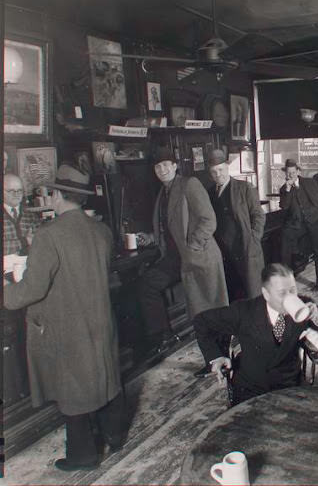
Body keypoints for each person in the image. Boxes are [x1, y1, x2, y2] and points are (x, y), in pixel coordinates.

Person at [3, 165, 126, 471]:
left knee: (74, 387)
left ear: (56, 195)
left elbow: (34, 288)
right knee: (104, 373)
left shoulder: (50, 234)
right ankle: (116, 433)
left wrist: (6, 291)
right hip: (101, 319)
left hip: (69, 324)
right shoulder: (102, 230)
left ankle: (83, 455)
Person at [193, 263, 318, 405]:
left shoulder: (303, 306)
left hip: (289, 385)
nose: (289, 297)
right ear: (266, 294)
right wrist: (216, 357)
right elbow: (202, 321)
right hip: (250, 388)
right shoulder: (244, 311)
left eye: (292, 290)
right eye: (282, 293)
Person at [137, 147, 228, 353]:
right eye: (158, 167)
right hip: (175, 257)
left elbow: (208, 220)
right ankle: (165, 337)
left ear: (175, 166)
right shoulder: (163, 192)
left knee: (210, 310)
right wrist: (152, 238)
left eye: (166, 165)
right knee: (148, 284)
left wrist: (192, 246)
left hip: (199, 256)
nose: (162, 170)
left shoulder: (189, 184)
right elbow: (171, 226)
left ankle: (220, 357)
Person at [193, 150, 266, 378]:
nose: (218, 175)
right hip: (221, 260)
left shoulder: (244, 188)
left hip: (245, 256)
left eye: (221, 170)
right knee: (225, 308)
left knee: (250, 306)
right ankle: (221, 358)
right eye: (213, 172)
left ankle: (254, 357)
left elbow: (258, 216)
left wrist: (253, 240)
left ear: (228, 168)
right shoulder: (208, 193)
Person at [279, 158, 318, 291]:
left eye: (293, 172)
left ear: (297, 171)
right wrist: (288, 189)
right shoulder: (284, 189)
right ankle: (287, 281)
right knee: (284, 240)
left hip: (315, 220)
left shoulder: (309, 182)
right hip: (298, 224)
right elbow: (284, 206)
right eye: (288, 173)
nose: (290, 175)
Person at [3, 173, 41, 255]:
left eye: (19, 190)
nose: (16, 194)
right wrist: (25, 241)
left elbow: (40, 241)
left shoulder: (31, 216)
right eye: (11, 191)